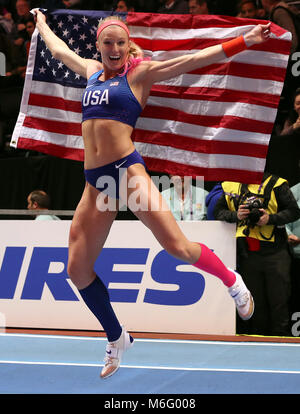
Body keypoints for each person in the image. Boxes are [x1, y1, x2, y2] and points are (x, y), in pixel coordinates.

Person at [34, 8, 271, 378]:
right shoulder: (92, 72)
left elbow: (194, 59)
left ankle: (232, 281)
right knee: (78, 270)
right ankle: (117, 337)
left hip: (126, 172)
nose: (113, 48)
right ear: (99, 46)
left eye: (120, 43)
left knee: (177, 247)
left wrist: (245, 41)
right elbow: (61, 52)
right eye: (107, 43)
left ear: (129, 47)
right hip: (97, 180)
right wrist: (42, 26)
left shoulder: (140, 73)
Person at [214, 173, 300, 336]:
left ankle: (281, 342)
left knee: (279, 302)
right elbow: (217, 212)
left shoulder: (277, 184)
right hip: (248, 255)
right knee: (254, 304)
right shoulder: (230, 185)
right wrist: (236, 215)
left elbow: (294, 212)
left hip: (276, 254)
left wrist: (270, 218)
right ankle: (257, 341)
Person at [285, 181, 300, 318]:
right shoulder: (293, 192)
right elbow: (284, 219)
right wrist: (289, 234)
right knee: (296, 297)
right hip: (297, 257)